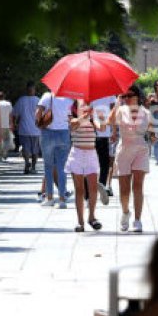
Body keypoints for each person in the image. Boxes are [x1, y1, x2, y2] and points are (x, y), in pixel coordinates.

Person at [108, 84, 152, 233]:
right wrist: (117, 103)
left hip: (141, 148)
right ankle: (126, 212)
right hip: (124, 149)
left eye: (129, 95)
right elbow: (109, 121)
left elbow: (153, 130)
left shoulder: (145, 112)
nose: (126, 98)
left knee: (138, 186)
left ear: (137, 96)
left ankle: (138, 220)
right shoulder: (120, 110)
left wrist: (154, 137)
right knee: (124, 189)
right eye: (124, 96)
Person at [65, 100, 102, 233]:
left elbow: (101, 128)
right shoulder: (71, 112)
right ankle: (80, 222)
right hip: (77, 154)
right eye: (83, 104)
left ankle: (92, 217)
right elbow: (73, 125)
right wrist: (86, 116)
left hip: (91, 153)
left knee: (93, 188)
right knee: (79, 190)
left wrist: (102, 118)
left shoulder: (93, 114)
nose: (86, 105)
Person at [36, 89, 73, 209]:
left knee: (48, 166)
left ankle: (50, 198)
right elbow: (70, 117)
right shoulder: (69, 98)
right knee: (61, 167)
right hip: (64, 133)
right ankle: (62, 199)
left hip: (48, 133)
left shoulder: (47, 96)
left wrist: (38, 123)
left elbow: (38, 112)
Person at [90, 95, 116, 205]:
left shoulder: (91, 93)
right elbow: (114, 113)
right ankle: (101, 185)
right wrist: (114, 131)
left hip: (91, 133)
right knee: (104, 164)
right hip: (104, 133)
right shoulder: (110, 95)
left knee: (92, 163)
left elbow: (88, 112)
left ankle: (92, 189)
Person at [13, 81, 42, 174]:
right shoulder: (39, 100)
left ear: (26, 89)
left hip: (24, 129)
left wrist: (14, 124)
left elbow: (15, 114)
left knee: (25, 148)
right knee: (35, 150)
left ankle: (26, 163)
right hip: (36, 130)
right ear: (34, 90)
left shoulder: (21, 100)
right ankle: (33, 167)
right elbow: (42, 115)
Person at [0, 91, 14, 161]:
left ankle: (0, 155)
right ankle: (5, 152)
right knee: (7, 140)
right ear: (4, 97)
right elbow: (10, 115)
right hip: (6, 125)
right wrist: (11, 124)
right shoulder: (8, 104)